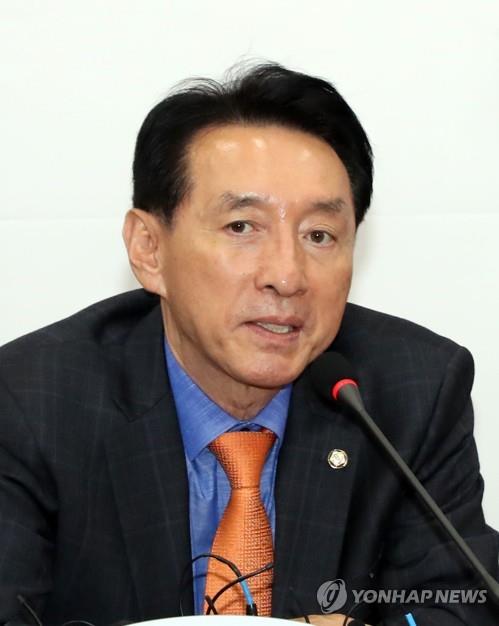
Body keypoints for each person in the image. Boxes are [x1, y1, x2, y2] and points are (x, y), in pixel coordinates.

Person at [0, 62, 497, 626]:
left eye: (319, 235)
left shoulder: (412, 392)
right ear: (149, 249)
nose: (286, 276)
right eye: (242, 227)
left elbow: (459, 605)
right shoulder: (31, 403)